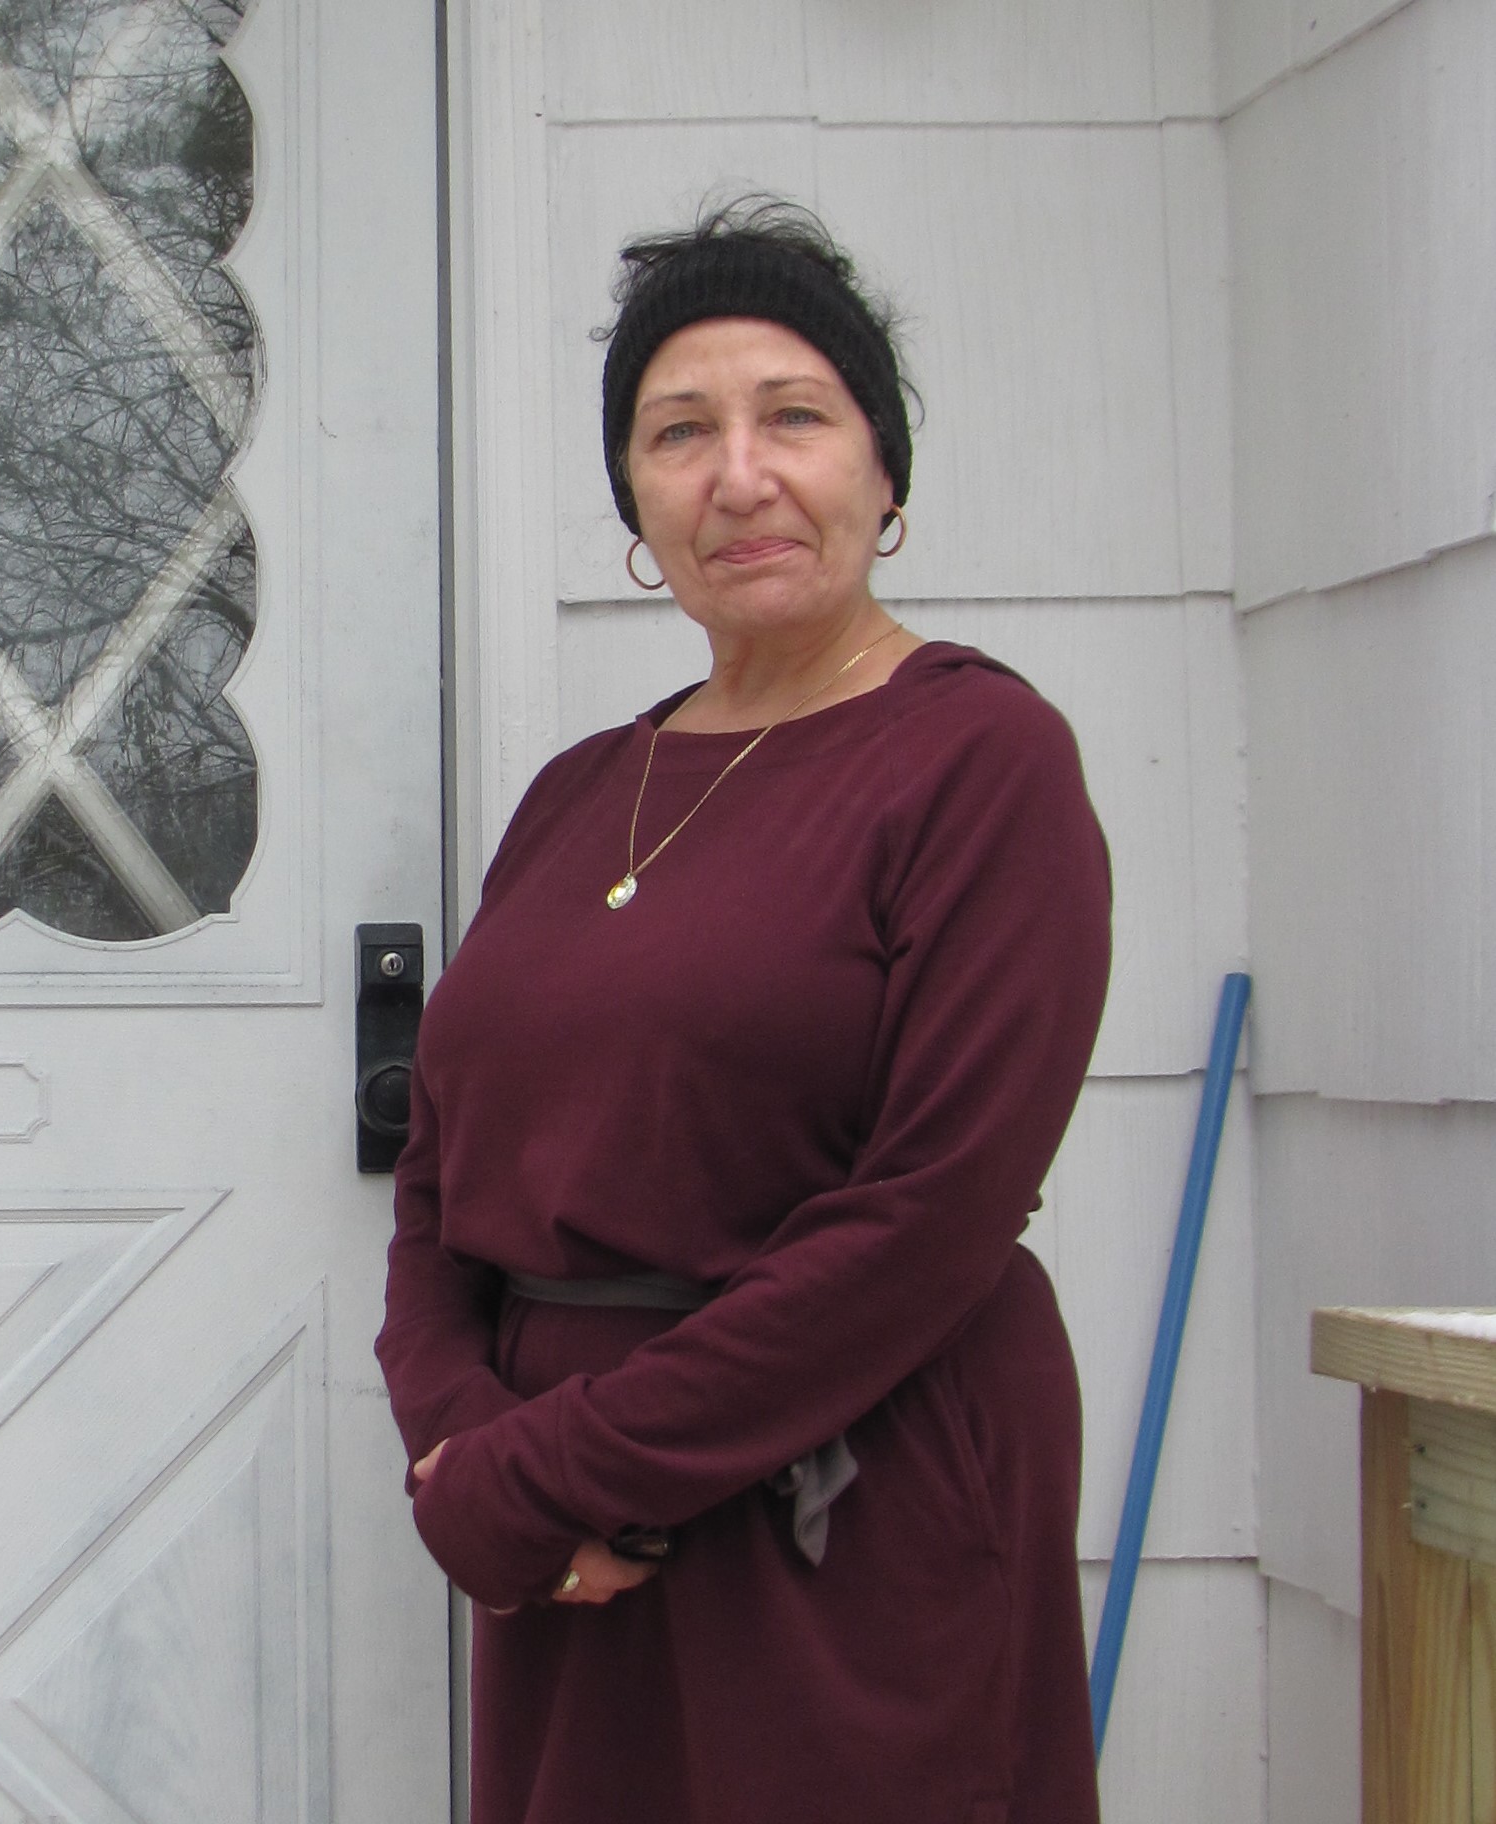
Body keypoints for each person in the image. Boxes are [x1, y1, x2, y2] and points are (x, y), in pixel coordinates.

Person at [376, 197, 1111, 1824]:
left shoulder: (979, 760)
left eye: (794, 416)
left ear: (881, 473)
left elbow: (932, 1214)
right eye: (676, 432)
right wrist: (459, 1457)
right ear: (634, 502)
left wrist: (544, 1471)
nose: (739, 476)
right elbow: (439, 1191)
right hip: (573, 1542)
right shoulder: (580, 794)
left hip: (846, 1489)